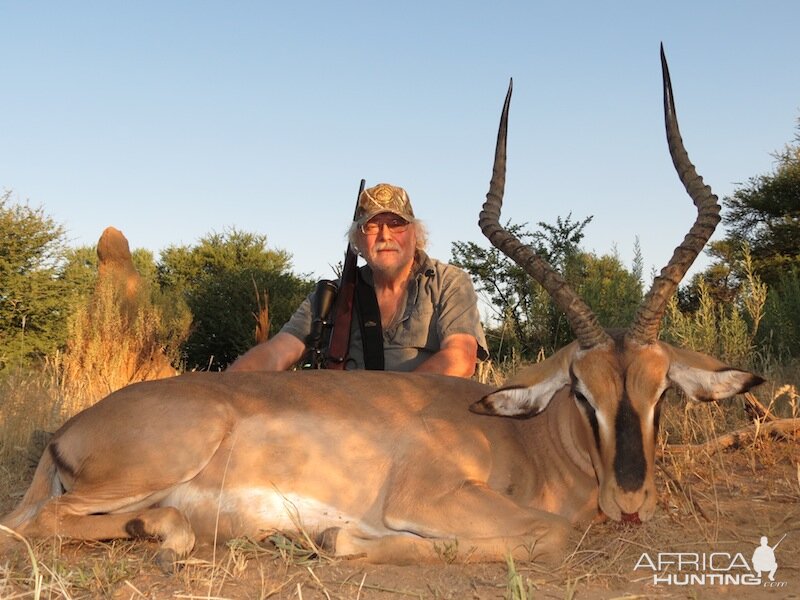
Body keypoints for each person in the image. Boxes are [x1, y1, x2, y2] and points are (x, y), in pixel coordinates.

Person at [229, 182, 488, 377]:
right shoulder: (331, 298)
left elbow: (460, 359)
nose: (385, 235)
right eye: (371, 226)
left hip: (423, 422)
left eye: (396, 223)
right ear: (358, 242)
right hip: (346, 429)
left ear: (415, 234)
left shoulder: (449, 282)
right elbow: (277, 352)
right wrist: (221, 387)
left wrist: (383, 408)